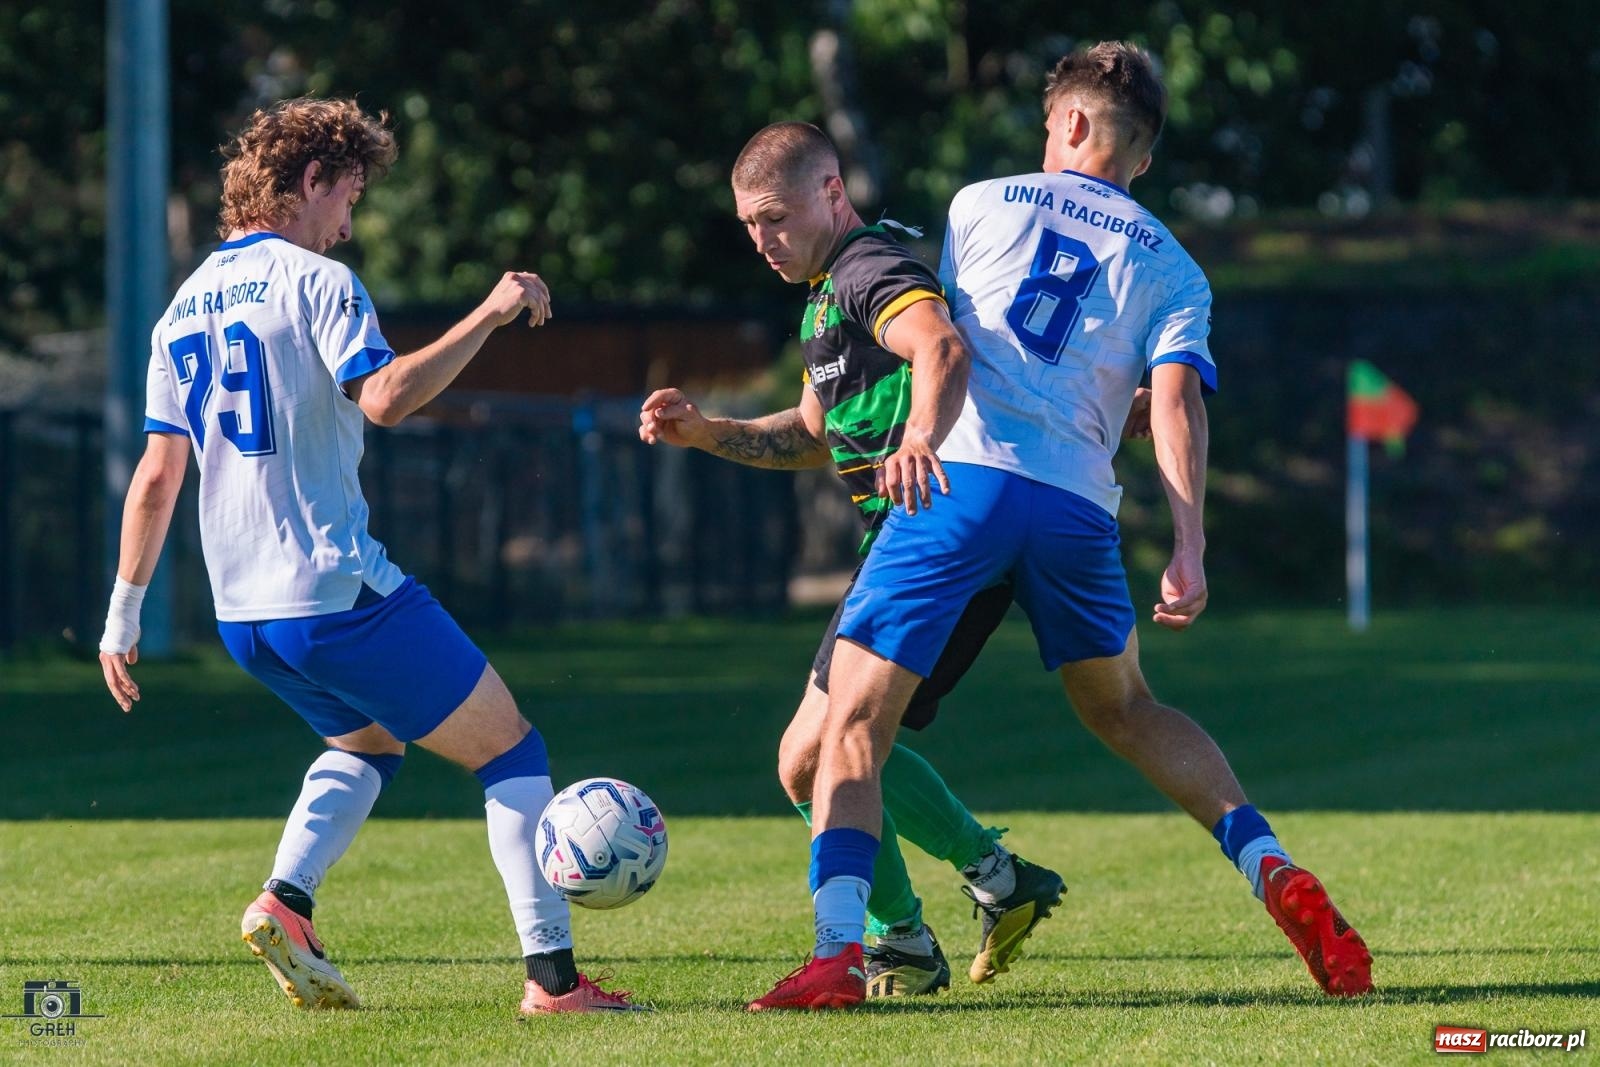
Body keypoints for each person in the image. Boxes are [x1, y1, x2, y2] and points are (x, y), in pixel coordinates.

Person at [749, 43, 1374, 1011]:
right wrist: (1189, 544)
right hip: (1078, 511)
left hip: (960, 487)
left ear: (1074, 124)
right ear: (1145, 157)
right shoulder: (1174, 266)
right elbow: (1172, 407)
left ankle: (843, 951)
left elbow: (948, 346)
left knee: (850, 725)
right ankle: (1268, 863)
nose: (1045, 141)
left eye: (1049, 126)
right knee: (1127, 709)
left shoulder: (978, 204)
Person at [96, 97, 641, 1015]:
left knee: (368, 742)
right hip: (336, 593)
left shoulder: (179, 310)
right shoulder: (317, 280)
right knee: (514, 751)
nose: (347, 223)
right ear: (309, 181)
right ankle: (553, 980)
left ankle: (287, 900)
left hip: (246, 618)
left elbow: (156, 476)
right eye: (347, 198)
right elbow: (385, 396)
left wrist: (121, 615)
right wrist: (492, 311)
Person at [639, 121, 1066, 1000]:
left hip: (938, 548)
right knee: (814, 758)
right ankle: (986, 882)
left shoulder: (871, 271)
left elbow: (942, 347)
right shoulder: (824, 295)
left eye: (774, 218)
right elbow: (810, 432)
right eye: (748, 225)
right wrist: (707, 430)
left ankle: (905, 933)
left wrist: (918, 440)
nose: (761, 241)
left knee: (825, 751)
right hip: (907, 553)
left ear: (832, 193)